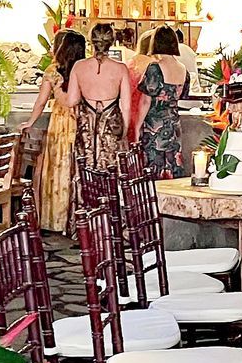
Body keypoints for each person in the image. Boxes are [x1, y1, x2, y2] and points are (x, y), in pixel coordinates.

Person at [28, 29, 85, 231]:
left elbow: (41, 102)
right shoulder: (84, 68)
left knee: (57, 169)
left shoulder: (53, 71)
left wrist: (30, 122)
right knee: (76, 168)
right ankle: (76, 217)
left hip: (60, 122)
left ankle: (55, 219)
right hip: (80, 121)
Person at [67, 22, 134, 175]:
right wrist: (124, 132)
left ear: (92, 41)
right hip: (112, 126)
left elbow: (72, 100)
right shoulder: (121, 68)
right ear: (111, 41)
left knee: (85, 172)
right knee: (112, 173)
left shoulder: (78, 66)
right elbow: (126, 106)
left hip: (85, 128)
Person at [131, 25, 192, 178]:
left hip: (154, 125)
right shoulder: (183, 69)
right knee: (173, 162)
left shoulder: (154, 68)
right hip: (174, 124)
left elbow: (145, 101)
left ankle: (155, 199)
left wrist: (137, 127)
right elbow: (183, 95)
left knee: (154, 165)